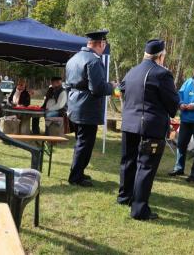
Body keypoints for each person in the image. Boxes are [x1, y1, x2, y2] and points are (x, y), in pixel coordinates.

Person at [117, 39, 179, 220]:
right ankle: (139, 209)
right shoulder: (162, 74)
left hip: (129, 123)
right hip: (150, 125)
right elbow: (172, 103)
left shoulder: (132, 71)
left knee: (128, 162)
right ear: (160, 56)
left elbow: (122, 90)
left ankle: (124, 197)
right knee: (146, 166)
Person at [66, 30, 116, 187]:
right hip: (86, 108)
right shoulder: (94, 60)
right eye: (104, 45)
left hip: (75, 106)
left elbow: (68, 85)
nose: (104, 48)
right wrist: (112, 86)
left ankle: (77, 171)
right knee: (85, 144)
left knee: (81, 142)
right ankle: (76, 177)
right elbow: (98, 88)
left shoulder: (73, 59)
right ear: (101, 44)